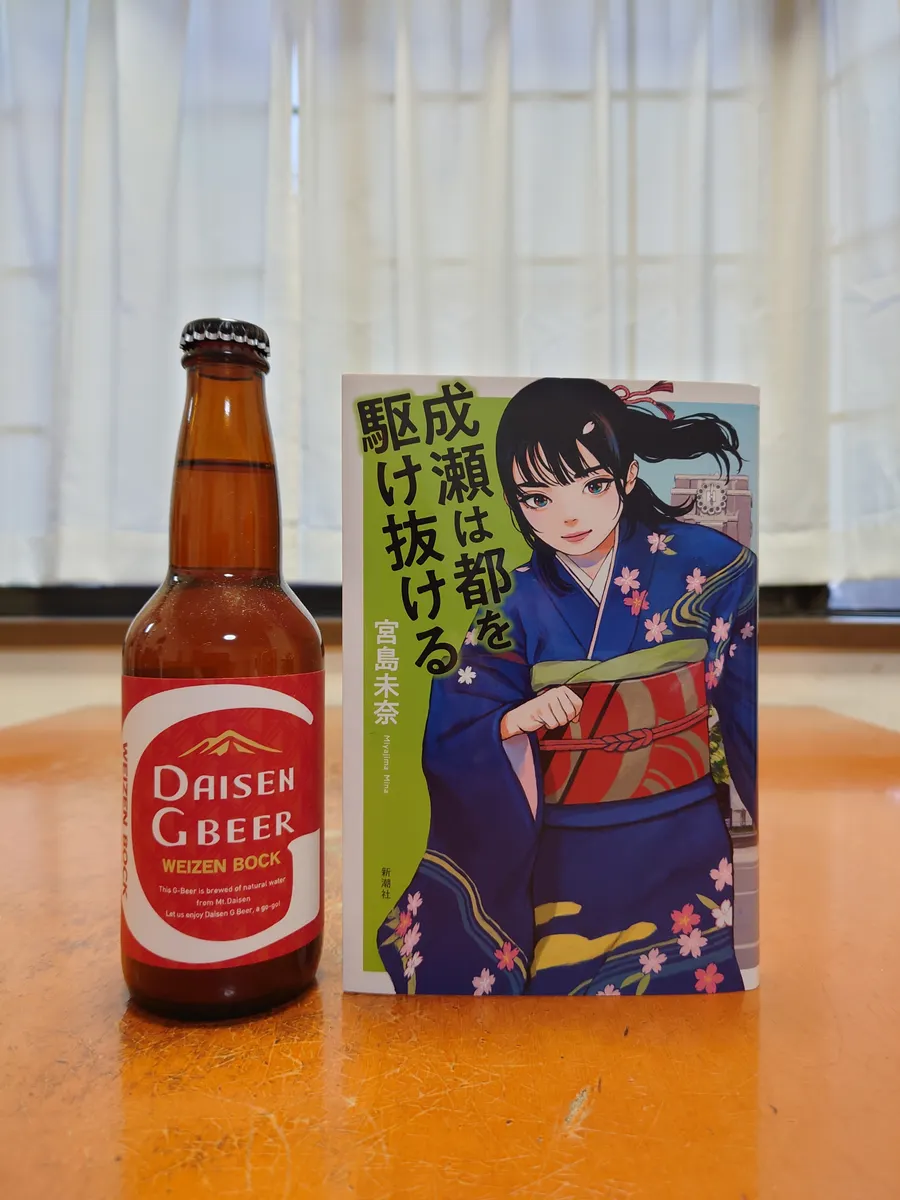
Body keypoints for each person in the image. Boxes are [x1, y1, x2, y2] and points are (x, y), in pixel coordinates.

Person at [379, 378, 757, 997]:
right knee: (558, 1006)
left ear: (627, 477)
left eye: (592, 485)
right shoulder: (509, 601)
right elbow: (458, 719)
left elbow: (746, 708)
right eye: (538, 497)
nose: (569, 515)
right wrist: (513, 722)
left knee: (691, 1002)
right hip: (568, 850)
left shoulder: (710, 567)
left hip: (679, 837)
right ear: (514, 502)